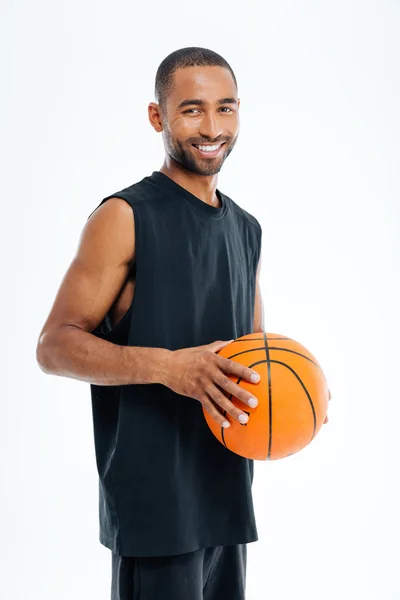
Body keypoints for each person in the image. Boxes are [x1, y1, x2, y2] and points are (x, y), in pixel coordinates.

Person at [36, 46, 329, 600]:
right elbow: (53, 346)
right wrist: (171, 368)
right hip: (156, 508)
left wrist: (305, 392)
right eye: (192, 109)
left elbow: (255, 354)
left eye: (226, 108)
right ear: (158, 117)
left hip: (226, 493)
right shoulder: (124, 216)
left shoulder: (248, 229)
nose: (212, 127)